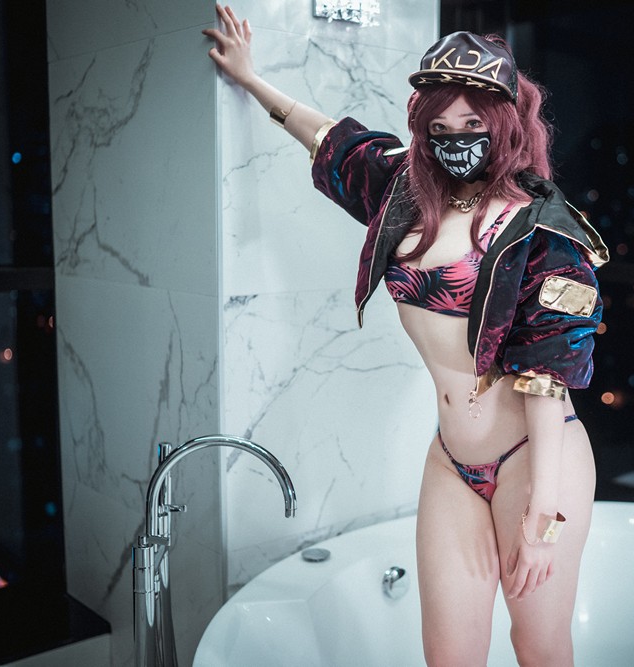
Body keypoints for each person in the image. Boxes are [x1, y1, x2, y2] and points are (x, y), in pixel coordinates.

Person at [204, 5, 609, 665]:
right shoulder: (402, 191)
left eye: (472, 125)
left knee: (538, 645)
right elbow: (329, 140)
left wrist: (543, 513)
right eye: (440, 127)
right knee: (448, 655)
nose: (456, 140)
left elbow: (546, 376)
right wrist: (251, 80)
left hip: (537, 458)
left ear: (505, 123)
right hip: (452, 459)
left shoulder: (542, 227)